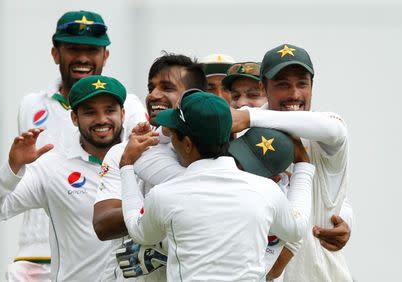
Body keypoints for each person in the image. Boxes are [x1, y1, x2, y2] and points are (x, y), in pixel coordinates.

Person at [119, 91, 314, 281]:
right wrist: (304, 166)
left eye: (173, 135)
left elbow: (139, 231)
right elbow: (297, 229)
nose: (170, 138)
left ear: (187, 144)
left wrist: (126, 165)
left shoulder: (164, 195)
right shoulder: (265, 190)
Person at [14, 10, 146, 280]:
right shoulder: (31, 105)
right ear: (56, 53)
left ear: (105, 55)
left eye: (92, 50)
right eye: (73, 48)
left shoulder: (128, 106)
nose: (83, 58)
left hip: (100, 249)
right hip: (36, 251)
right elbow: (28, 177)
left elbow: (138, 165)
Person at [0, 75, 135, 281]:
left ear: (122, 113)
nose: (102, 119)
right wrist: (12, 168)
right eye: (90, 112)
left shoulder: (141, 160)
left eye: (110, 110)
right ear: (74, 118)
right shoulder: (52, 167)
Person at [231, 43, 353, 281]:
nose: (295, 94)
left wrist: (248, 116)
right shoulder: (244, 138)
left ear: (312, 86)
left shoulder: (324, 132)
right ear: (263, 86)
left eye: (302, 83)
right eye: (282, 84)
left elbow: (335, 129)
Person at [92, 53, 207, 280]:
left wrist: (153, 212)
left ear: (194, 97)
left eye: (167, 87)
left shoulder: (214, 153)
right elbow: (103, 224)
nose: (154, 95)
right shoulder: (123, 151)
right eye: (151, 87)